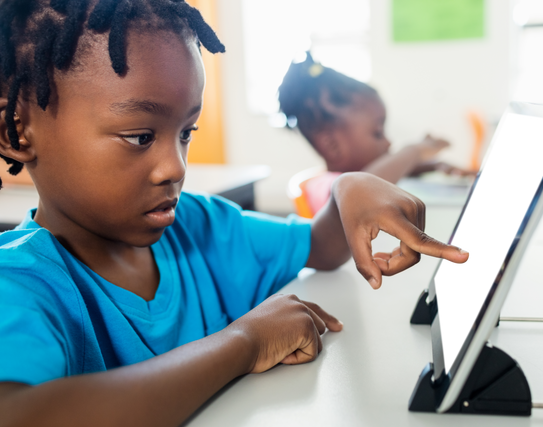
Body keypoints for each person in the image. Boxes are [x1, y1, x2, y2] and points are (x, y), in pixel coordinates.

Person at [0, 1, 471, 426]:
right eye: (141, 136)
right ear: (17, 133)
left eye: (185, 132)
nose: (175, 167)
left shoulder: (198, 227)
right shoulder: (17, 283)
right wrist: (242, 343)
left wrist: (351, 187)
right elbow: (23, 414)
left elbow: (322, 247)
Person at [278, 52, 476, 215]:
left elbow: (377, 175)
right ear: (332, 146)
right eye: (377, 133)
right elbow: (365, 185)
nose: (389, 143)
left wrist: (433, 165)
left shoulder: (354, 176)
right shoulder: (325, 187)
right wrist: (414, 150)